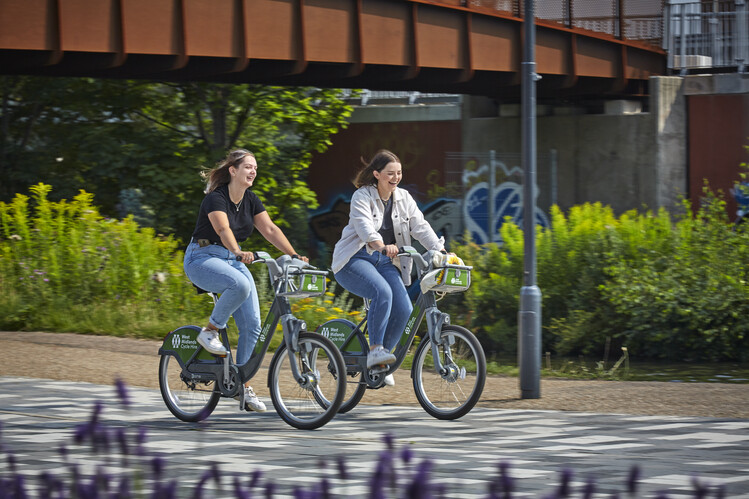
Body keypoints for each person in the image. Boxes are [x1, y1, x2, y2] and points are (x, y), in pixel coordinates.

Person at [184, 149, 308, 412]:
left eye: (255, 168)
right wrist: (238, 251)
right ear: (233, 170)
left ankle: (243, 385)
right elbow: (222, 229)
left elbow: (270, 229)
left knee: (253, 326)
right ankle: (210, 332)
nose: (253, 171)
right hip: (202, 257)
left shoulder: (250, 199)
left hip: (231, 260)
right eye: (248, 167)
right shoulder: (215, 198)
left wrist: (294, 254)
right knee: (238, 285)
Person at [331, 150, 445, 385]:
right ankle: (375, 350)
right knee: (382, 292)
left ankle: (382, 362)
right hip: (355, 259)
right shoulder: (362, 196)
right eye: (390, 173)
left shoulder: (404, 198)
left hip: (386, 262)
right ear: (377, 174)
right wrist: (380, 245)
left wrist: (441, 250)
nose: (395, 177)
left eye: (399, 173)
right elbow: (364, 227)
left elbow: (420, 226)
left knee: (404, 309)